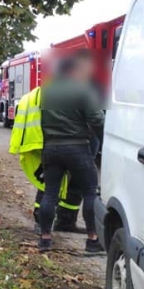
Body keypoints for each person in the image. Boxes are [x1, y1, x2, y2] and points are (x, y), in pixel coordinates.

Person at [37, 51, 105, 254]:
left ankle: (45, 239)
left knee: (50, 194)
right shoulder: (83, 90)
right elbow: (97, 120)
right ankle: (93, 240)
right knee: (90, 192)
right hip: (77, 148)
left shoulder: (47, 91)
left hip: (51, 148)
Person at [9, 87, 84, 233]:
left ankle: (62, 220)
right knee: (53, 182)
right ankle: (45, 221)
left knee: (59, 181)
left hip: (45, 142)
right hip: (59, 143)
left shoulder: (38, 94)